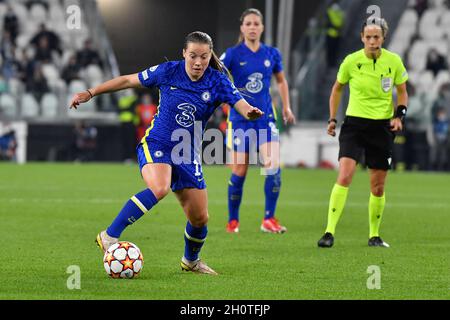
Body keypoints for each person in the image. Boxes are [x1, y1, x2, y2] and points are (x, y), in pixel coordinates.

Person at [69, 31, 263, 275]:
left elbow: (241, 104)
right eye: (193, 56)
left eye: (204, 57)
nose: (198, 62)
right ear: (184, 54)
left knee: (200, 219)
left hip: (186, 154)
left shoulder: (218, 81)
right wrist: (91, 92)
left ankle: (190, 262)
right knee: (159, 188)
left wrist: (250, 112)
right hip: (157, 143)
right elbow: (128, 81)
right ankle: (108, 236)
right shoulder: (168, 71)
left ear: (209, 56)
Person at [317, 17, 409, 248]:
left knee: (377, 186)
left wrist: (399, 116)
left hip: (381, 128)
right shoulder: (351, 61)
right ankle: (329, 232)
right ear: (362, 38)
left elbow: (402, 91)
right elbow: (336, 89)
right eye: (368, 37)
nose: (371, 41)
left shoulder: (394, 61)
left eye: (376, 37)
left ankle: (374, 236)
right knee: (345, 175)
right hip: (354, 126)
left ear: (383, 38)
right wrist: (332, 118)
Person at [220, 8, 296, 234]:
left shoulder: (271, 54)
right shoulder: (232, 54)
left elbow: (281, 82)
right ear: (242, 28)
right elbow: (217, 75)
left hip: (265, 118)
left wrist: (287, 106)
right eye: (248, 24)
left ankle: (268, 219)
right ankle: (233, 221)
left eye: (256, 24)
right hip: (240, 119)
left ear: (262, 27)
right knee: (240, 170)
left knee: (272, 167)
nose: (252, 27)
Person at [325, 1, 345, 67]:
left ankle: (332, 63)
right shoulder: (331, 12)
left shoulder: (336, 12)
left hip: (335, 34)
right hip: (332, 34)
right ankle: (331, 64)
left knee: (334, 50)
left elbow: (340, 23)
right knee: (332, 50)